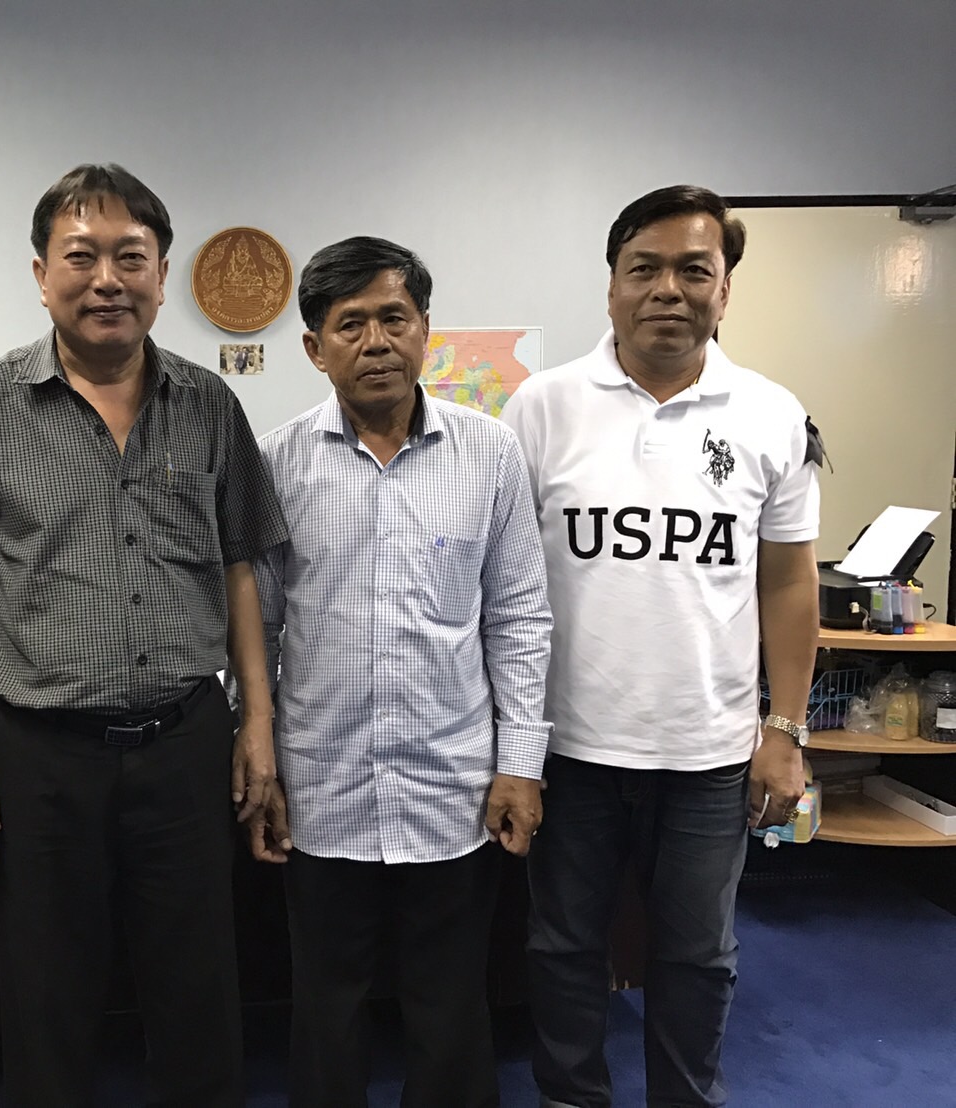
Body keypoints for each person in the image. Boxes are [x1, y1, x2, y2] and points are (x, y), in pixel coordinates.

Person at [0, 163, 288, 1107]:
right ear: (43, 275)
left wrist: (256, 724)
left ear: (161, 275)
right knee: (46, 989)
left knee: (198, 983)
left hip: (184, 740)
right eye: (81, 257)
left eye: (131, 257)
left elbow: (241, 567)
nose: (107, 279)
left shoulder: (209, 405)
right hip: (41, 752)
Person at [500, 185, 821, 1108]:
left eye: (694, 270)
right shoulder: (542, 407)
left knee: (698, 955)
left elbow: (788, 583)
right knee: (562, 948)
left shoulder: (770, 414)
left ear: (726, 290)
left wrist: (785, 729)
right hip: (571, 748)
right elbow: (508, 583)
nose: (667, 290)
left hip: (709, 754)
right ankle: (571, 1098)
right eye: (644, 268)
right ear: (612, 286)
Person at [245, 236, 552, 1107]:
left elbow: (520, 618)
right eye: (351, 324)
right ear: (316, 348)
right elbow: (256, 630)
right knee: (325, 1005)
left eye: (394, 318)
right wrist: (259, 761)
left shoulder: (490, 454)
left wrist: (520, 764)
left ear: (425, 331)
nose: (375, 341)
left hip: (451, 787)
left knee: (449, 1005)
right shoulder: (276, 463)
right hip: (323, 785)